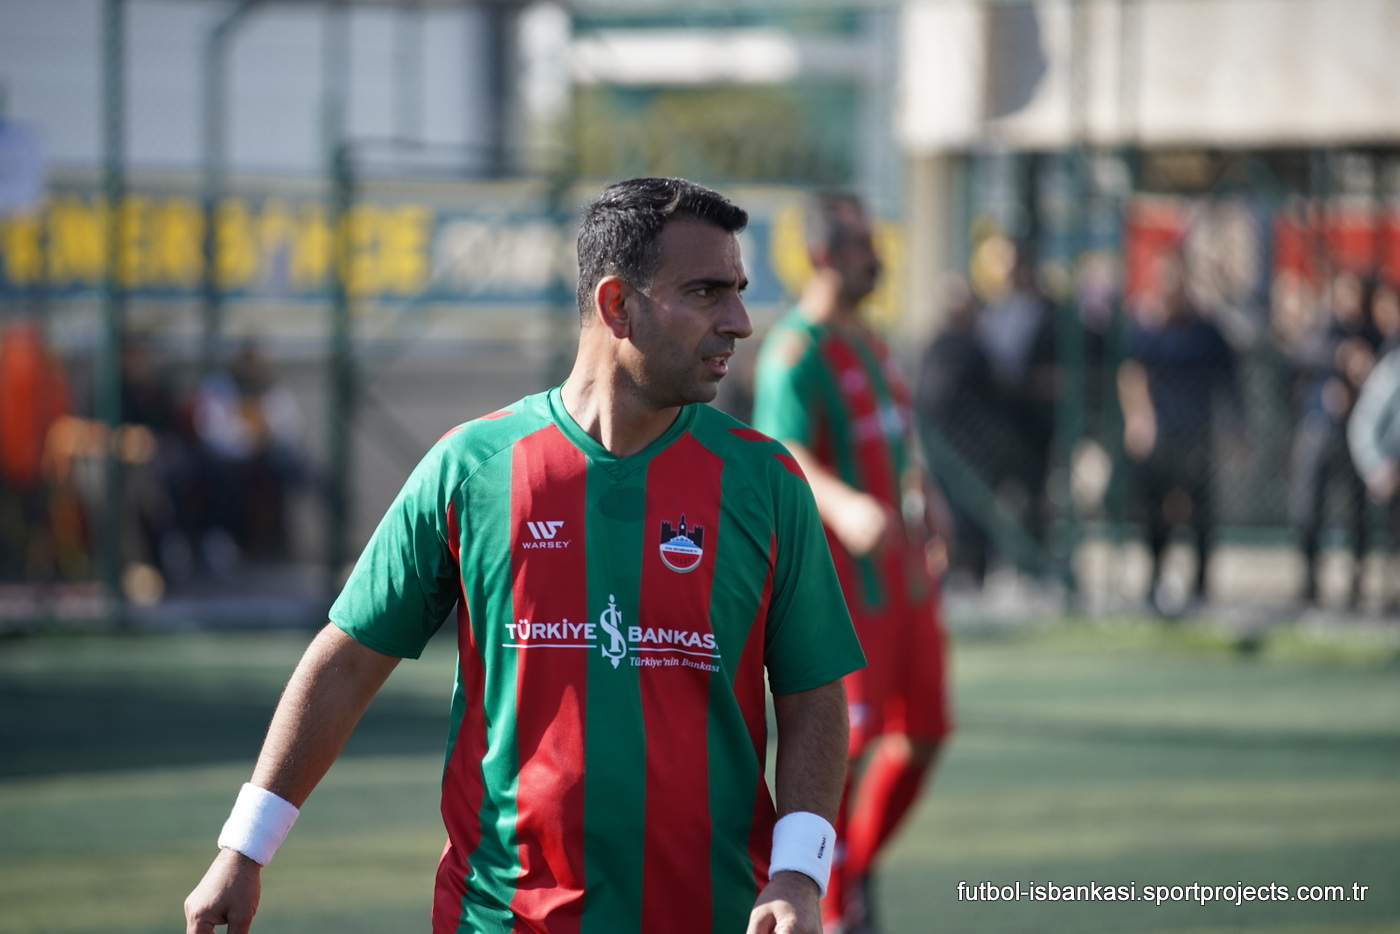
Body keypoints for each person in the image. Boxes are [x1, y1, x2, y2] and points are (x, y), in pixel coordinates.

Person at [184, 177, 865, 934]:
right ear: (617, 305)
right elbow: (346, 662)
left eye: (738, 291)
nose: (739, 321)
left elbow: (813, 693)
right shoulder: (472, 468)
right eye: (706, 292)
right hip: (500, 918)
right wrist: (243, 849)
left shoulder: (765, 481)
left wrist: (799, 873)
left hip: (713, 914)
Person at [751, 192, 953, 934]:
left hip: (906, 583)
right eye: (865, 246)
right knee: (848, 749)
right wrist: (845, 507)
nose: (879, 258)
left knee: (926, 731)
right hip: (846, 591)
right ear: (823, 255)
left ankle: (853, 868)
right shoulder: (794, 353)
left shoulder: (871, 342)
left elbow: (900, 440)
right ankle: (831, 905)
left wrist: (928, 495)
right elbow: (785, 451)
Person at [1117, 249, 1245, 614]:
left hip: (1196, 433)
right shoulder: (1145, 327)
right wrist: (1139, 419)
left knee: (1200, 511)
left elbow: (1229, 380)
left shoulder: (1206, 331)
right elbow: (1132, 374)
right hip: (1159, 435)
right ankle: (1154, 581)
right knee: (1154, 512)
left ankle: (1201, 586)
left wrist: (1237, 426)